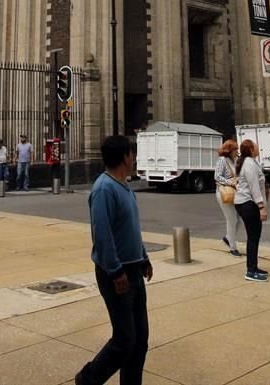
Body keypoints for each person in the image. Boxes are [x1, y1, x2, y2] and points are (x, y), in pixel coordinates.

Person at [74, 135, 152, 385]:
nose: (134, 158)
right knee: (125, 340)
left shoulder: (124, 186)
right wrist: (116, 272)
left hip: (133, 269)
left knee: (139, 340)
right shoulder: (104, 189)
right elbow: (103, 235)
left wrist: (143, 258)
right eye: (132, 153)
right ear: (124, 157)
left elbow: (131, 229)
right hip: (116, 273)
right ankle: (88, 379)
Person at [234, 139, 269, 282]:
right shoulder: (249, 164)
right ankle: (251, 270)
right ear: (251, 149)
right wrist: (261, 207)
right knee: (253, 237)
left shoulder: (250, 162)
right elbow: (254, 187)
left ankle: (254, 267)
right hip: (248, 203)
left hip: (246, 203)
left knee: (254, 237)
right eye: (255, 145)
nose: (258, 146)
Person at [214, 139, 241, 256]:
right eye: (235, 149)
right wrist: (231, 182)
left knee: (238, 220)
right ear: (229, 150)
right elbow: (217, 176)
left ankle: (228, 238)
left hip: (234, 192)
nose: (237, 151)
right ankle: (233, 247)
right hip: (224, 193)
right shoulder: (222, 160)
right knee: (232, 220)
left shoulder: (234, 160)